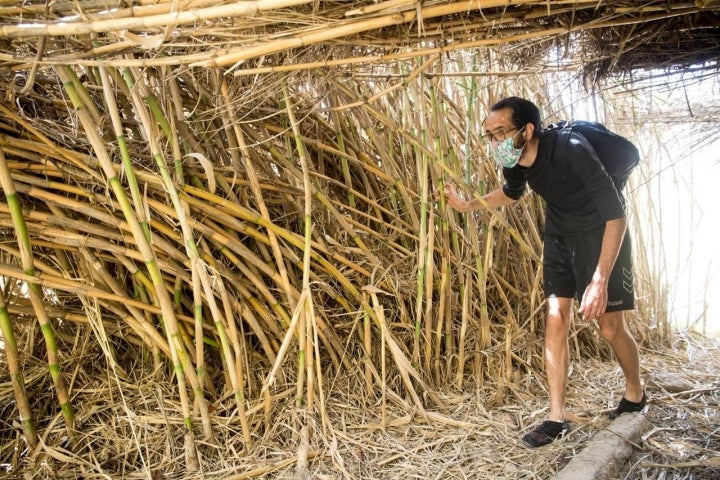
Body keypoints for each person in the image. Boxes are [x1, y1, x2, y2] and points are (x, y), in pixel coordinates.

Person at [441, 97, 646, 448]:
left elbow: (616, 215)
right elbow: (512, 193)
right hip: (558, 235)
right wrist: (468, 205)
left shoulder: (572, 149)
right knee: (555, 318)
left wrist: (599, 280)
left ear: (527, 130)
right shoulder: (514, 160)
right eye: (489, 135)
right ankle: (556, 417)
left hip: (601, 233)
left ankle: (635, 394)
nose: (495, 142)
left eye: (501, 132)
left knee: (610, 328)